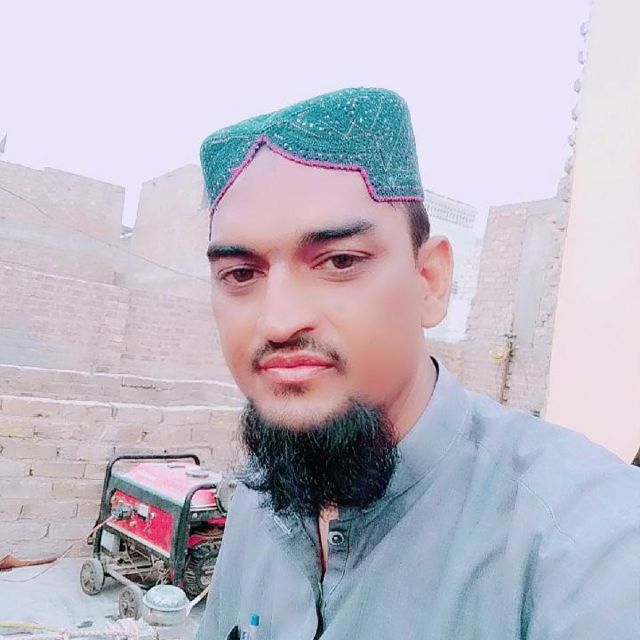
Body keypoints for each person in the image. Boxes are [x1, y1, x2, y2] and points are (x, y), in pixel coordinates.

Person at [194, 88, 639, 640]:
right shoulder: (260, 499)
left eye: (339, 261)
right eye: (241, 274)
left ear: (429, 281)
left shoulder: (584, 545)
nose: (279, 322)